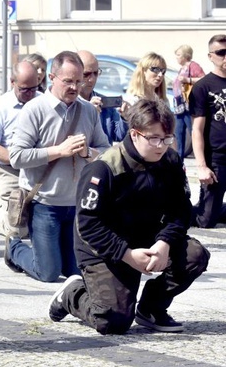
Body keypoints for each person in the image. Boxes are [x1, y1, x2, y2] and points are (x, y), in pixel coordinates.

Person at [49, 99, 210, 334]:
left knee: (195, 255)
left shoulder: (171, 161)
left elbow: (182, 210)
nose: (162, 146)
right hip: (105, 248)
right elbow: (89, 225)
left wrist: (164, 243)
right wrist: (126, 255)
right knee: (112, 322)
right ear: (135, 134)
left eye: (167, 138)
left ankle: (151, 309)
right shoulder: (104, 168)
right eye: (154, 138)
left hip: (149, 239)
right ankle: (73, 293)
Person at [8, 51, 111, 282]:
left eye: (78, 81)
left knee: (75, 272)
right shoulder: (34, 109)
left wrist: (88, 153)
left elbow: (106, 152)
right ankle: (14, 249)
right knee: (49, 273)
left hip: (76, 204)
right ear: (52, 77)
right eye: (68, 81)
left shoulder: (87, 110)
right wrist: (59, 151)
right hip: (44, 203)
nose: (74, 87)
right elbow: (16, 156)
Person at [0, 60, 40, 240]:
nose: (30, 93)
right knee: (17, 231)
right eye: (24, 89)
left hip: (38, 170)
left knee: (40, 226)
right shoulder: (0, 106)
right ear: (12, 82)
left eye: (34, 88)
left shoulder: (42, 101)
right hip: (10, 170)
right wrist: (20, 159)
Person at [190, 34, 226, 228]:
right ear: (211, 56)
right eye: (221, 53)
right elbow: (197, 129)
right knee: (206, 220)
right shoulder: (202, 87)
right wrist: (202, 166)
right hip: (217, 159)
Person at [77, 50, 127, 143]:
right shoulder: (67, 103)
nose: (92, 79)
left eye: (96, 73)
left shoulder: (103, 102)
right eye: (86, 74)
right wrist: (87, 113)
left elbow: (118, 136)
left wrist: (125, 118)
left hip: (103, 156)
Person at [172, 45, 205, 158]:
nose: (176, 57)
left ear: (186, 55)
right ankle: (179, 162)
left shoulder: (193, 66)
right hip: (179, 107)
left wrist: (188, 80)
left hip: (189, 106)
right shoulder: (182, 68)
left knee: (194, 132)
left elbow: (203, 79)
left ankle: (202, 159)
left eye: (178, 54)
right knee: (178, 135)